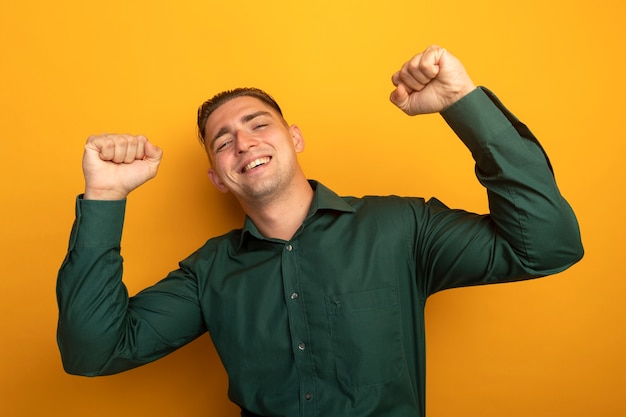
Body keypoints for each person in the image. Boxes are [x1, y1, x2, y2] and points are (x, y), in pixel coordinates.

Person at [56, 45, 583, 417]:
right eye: (223, 141)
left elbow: (548, 246)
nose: (243, 142)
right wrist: (105, 195)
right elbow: (93, 352)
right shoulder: (207, 273)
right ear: (217, 178)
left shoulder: (402, 226)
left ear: (294, 138)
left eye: (259, 124)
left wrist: (463, 102)